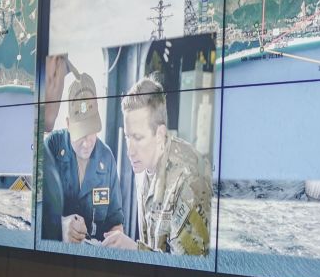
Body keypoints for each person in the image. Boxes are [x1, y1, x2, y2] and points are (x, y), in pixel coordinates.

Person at [102, 77, 212, 255]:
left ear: (160, 134)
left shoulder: (189, 179)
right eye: (127, 138)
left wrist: (134, 250)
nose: (129, 151)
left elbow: (189, 270)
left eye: (137, 138)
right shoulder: (143, 163)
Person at [43, 72, 124, 242]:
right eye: (81, 134)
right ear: (68, 123)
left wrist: (117, 239)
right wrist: (61, 226)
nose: (87, 143)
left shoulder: (107, 158)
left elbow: (115, 221)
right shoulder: (51, 147)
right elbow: (36, 211)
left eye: (91, 131)